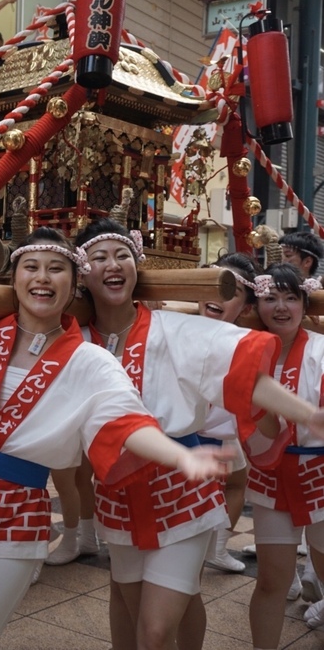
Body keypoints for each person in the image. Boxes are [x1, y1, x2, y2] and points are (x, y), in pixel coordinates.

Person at [0, 226, 237, 650]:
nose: (42, 277)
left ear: (74, 285)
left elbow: (126, 421)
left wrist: (181, 457)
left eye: (56, 269)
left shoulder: (90, 359)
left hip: (15, 510)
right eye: (30, 267)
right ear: (12, 279)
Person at [74, 217, 324, 650]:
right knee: (137, 613)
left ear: (137, 266)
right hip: (116, 495)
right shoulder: (75, 340)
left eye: (121, 255)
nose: (112, 265)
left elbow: (243, 374)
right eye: (99, 257)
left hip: (183, 490)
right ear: (82, 272)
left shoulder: (175, 328)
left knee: (154, 632)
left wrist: (307, 414)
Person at [246, 263, 324, 649]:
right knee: (271, 580)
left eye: (291, 297)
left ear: (304, 303)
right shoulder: (244, 350)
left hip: (321, 472)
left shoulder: (322, 349)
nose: (281, 306)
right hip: (270, 475)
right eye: (270, 298)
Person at [198, 252, 260, 573]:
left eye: (231, 292)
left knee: (236, 483)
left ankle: (218, 547)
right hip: (178, 434)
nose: (217, 295)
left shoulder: (248, 341)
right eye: (212, 284)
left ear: (247, 308)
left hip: (222, 426)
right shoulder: (169, 322)